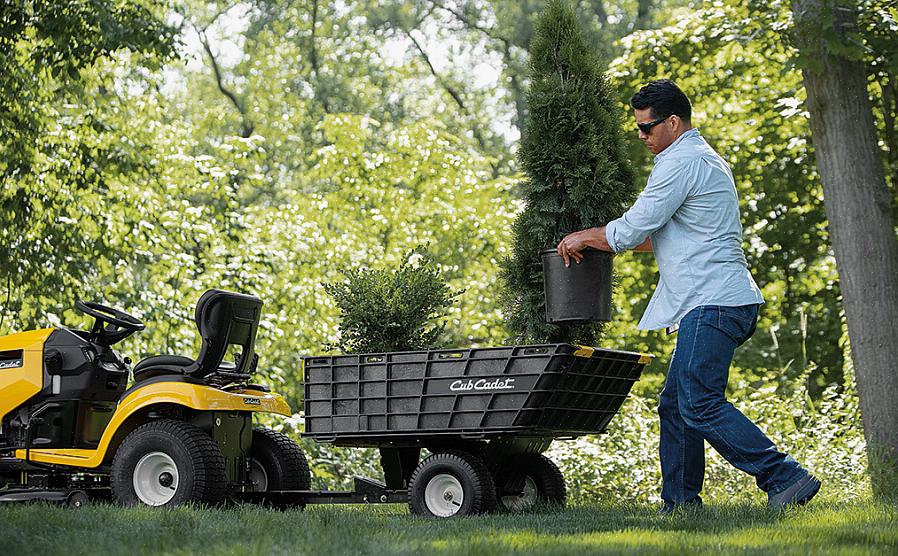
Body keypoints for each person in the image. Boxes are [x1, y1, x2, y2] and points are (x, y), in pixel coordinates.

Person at [556, 79, 820, 512]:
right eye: (638, 129)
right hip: (720, 299)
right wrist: (603, 240)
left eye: (647, 128)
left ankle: (785, 477)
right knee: (676, 405)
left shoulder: (681, 161)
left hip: (713, 302)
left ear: (673, 122)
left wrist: (586, 236)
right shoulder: (702, 158)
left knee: (698, 402)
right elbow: (656, 237)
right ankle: (680, 505)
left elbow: (635, 228)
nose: (641, 136)